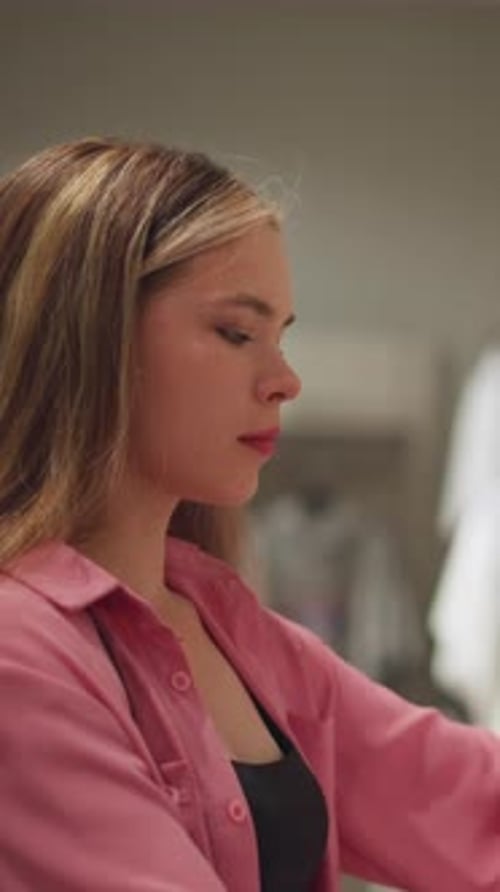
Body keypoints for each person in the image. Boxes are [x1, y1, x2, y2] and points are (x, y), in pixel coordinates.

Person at [0, 137, 497, 892]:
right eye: (237, 333)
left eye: (280, 336)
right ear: (91, 337)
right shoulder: (18, 655)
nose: (285, 380)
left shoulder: (228, 625)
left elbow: (465, 802)